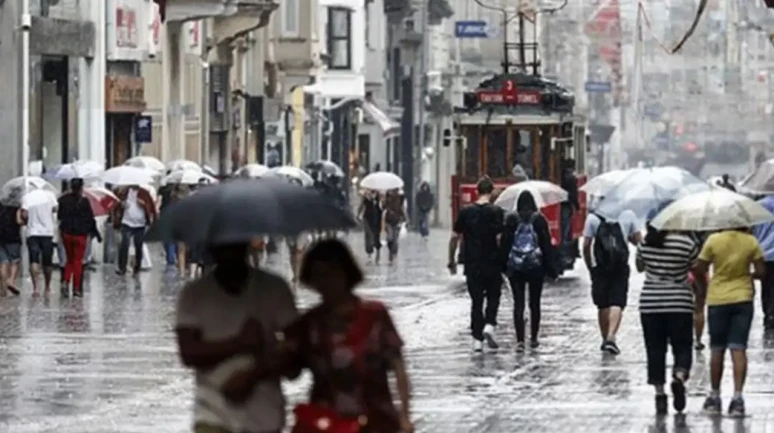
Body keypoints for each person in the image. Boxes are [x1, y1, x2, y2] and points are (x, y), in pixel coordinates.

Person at [222, 240, 413, 433]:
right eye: (319, 275)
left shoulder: (376, 315)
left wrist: (405, 415)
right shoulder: (310, 324)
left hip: (376, 422)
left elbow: (398, 367)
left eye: (332, 273)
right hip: (326, 423)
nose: (326, 281)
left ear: (346, 272)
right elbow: (289, 369)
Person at [175, 242, 298, 433]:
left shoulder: (274, 289)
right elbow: (188, 353)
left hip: (264, 416)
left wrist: (255, 373)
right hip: (213, 416)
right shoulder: (195, 294)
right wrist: (239, 343)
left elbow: (296, 357)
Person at [694, 227, 765, 417]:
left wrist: (707, 283)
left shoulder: (713, 240)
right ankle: (738, 399)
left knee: (717, 349)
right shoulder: (751, 242)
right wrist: (748, 275)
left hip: (718, 299)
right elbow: (762, 271)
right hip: (743, 298)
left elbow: (699, 268)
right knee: (738, 348)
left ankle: (715, 397)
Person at [635, 224, 699, 415]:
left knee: (655, 349)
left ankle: (660, 395)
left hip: (650, 303)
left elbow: (639, 267)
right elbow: (696, 269)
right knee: (682, 346)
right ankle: (679, 376)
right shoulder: (686, 243)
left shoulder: (646, 243)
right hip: (679, 302)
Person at [448, 177, 504, 352]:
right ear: (491, 191)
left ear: (477, 191)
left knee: (476, 301)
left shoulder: (465, 212)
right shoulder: (497, 212)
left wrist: (451, 260)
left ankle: (477, 339)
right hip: (492, 262)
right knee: (494, 295)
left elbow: (454, 237)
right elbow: (500, 238)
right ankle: (489, 324)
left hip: (472, 263)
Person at [499, 191, 555, 349]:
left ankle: (520, 340)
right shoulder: (539, 220)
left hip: (515, 267)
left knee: (518, 303)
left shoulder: (511, 219)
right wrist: (551, 268)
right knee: (535, 303)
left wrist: (502, 265)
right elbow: (546, 245)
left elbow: (505, 245)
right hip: (535, 266)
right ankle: (534, 338)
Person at [583, 208, 642, 355]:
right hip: (620, 266)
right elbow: (639, 241)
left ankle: (605, 339)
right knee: (617, 302)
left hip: (600, 267)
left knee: (603, 304)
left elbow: (586, 245)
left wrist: (590, 266)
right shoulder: (628, 215)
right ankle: (611, 336)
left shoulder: (592, 218)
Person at [57, 178, 101, 297]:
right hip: (80, 236)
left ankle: (65, 281)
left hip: (67, 234)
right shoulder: (85, 201)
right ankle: (76, 288)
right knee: (78, 261)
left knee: (69, 260)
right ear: (81, 188)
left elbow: (59, 216)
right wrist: (95, 233)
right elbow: (90, 219)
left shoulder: (63, 199)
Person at [17, 190, 57, 295]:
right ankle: (47, 287)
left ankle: (36, 288)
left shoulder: (27, 197)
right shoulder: (50, 195)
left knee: (34, 259)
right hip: (47, 232)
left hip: (32, 232)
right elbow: (55, 209)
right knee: (47, 261)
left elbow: (24, 214)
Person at [113, 185, 157, 276]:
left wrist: (143, 205)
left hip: (140, 224)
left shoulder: (144, 193)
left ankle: (137, 267)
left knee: (138, 246)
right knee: (124, 244)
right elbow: (117, 204)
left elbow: (151, 206)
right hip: (126, 222)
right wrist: (122, 205)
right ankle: (122, 267)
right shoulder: (124, 192)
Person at [560, 160, 580, 263]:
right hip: (567, 206)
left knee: (564, 230)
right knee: (566, 230)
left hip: (562, 204)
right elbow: (574, 194)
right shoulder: (572, 178)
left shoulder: (561, 176)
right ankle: (565, 252)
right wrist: (576, 206)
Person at [0, 202, 22, 296]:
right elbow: (19, 221)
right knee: (15, 261)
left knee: (3, 263)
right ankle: (11, 280)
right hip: (13, 237)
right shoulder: (16, 208)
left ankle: (3, 288)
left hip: (1, 238)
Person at [358, 189, 383, 263]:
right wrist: (358, 214)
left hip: (377, 219)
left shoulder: (379, 198)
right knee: (368, 235)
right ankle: (369, 253)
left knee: (376, 236)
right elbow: (361, 206)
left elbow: (382, 207)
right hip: (367, 218)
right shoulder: (365, 198)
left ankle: (378, 252)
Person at [382, 189, 406, 265]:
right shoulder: (387, 197)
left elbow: (401, 208)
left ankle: (393, 253)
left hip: (396, 221)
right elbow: (383, 207)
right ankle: (391, 251)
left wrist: (404, 218)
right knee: (390, 238)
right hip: (388, 221)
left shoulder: (400, 197)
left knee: (395, 239)